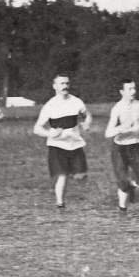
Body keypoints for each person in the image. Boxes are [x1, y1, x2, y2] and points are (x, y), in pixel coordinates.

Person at [32, 74, 92, 210]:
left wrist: (87, 123)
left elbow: (87, 115)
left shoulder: (76, 101)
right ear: (55, 86)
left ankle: (72, 175)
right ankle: (60, 204)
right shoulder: (50, 105)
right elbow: (37, 128)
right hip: (57, 144)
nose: (65, 86)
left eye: (67, 83)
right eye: (61, 84)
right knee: (62, 175)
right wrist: (50, 133)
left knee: (80, 176)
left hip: (75, 143)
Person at [104, 78, 139, 213]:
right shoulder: (117, 109)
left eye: (134, 88)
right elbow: (108, 133)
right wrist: (121, 128)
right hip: (120, 147)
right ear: (122, 92)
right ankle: (122, 210)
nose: (133, 91)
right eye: (129, 89)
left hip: (136, 146)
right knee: (123, 182)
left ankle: (130, 185)